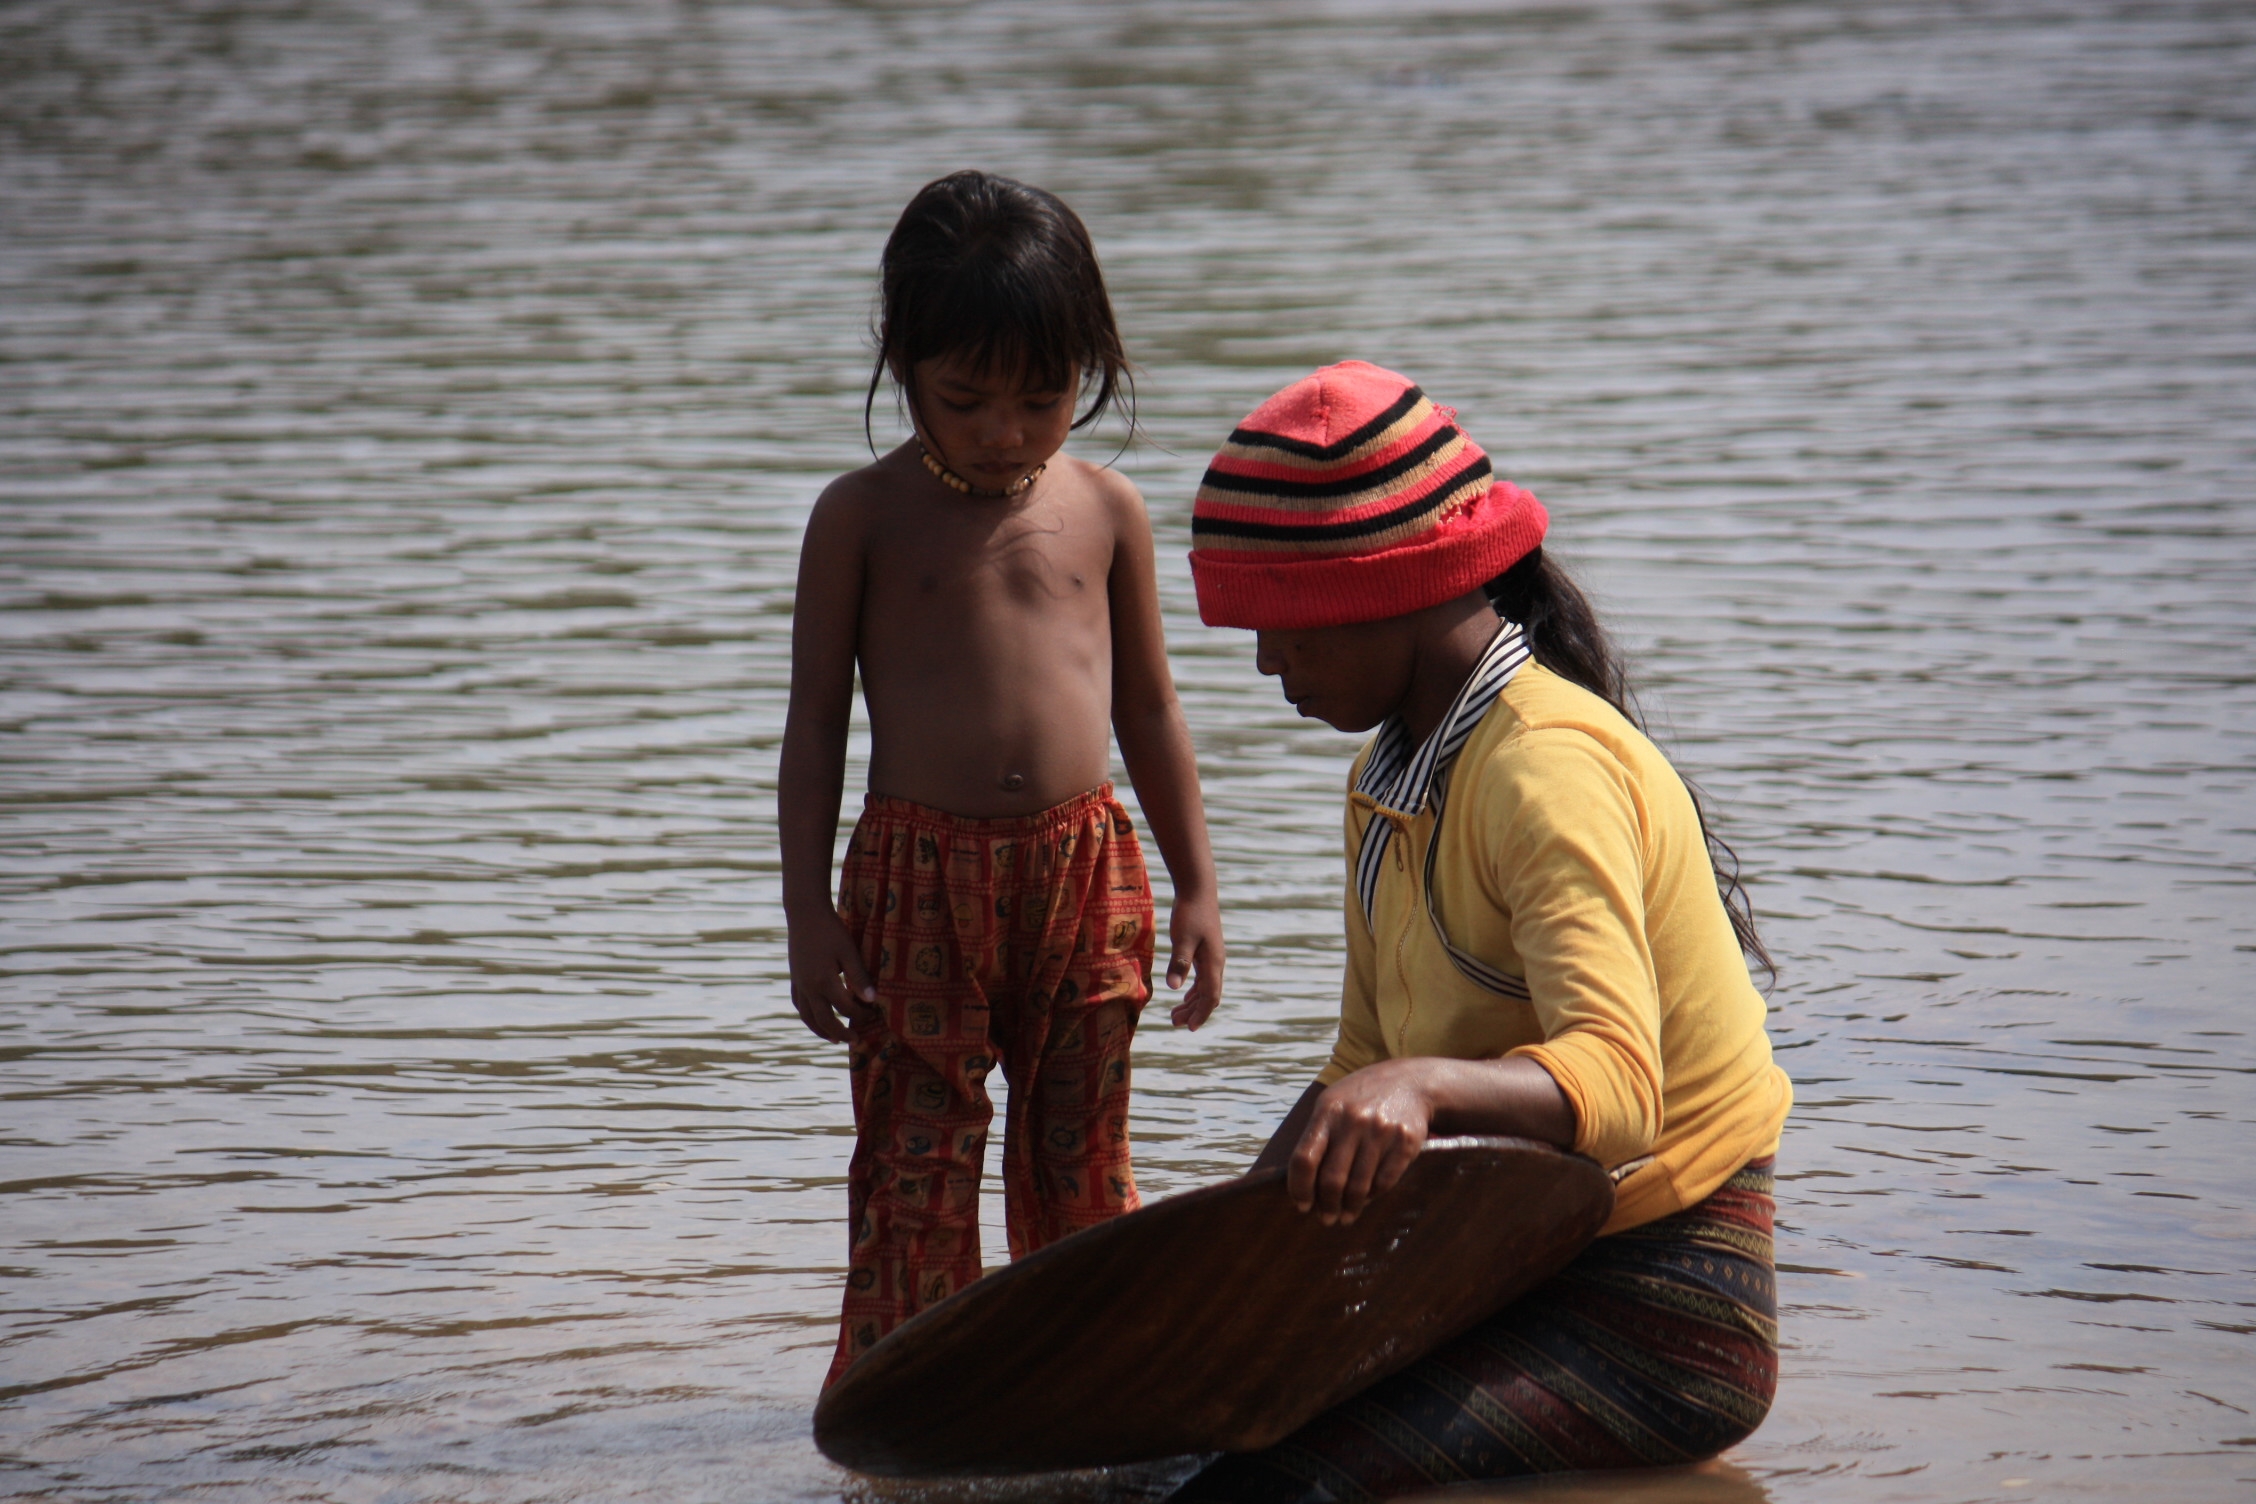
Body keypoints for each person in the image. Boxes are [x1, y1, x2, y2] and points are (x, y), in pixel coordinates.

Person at [1171, 361, 1791, 1501]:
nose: (1266, 663)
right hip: (1497, 1270)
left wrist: (1420, 1087)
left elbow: (1620, 1088)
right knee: (1170, 1447)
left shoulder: (1544, 769)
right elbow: (1360, 1066)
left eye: (1282, 625)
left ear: (1391, 591)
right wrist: (1224, 1262)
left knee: (1268, 1487)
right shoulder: (1386, 779)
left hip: (1666, 1309)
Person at [779, 171, 1225, 1390]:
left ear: (1088, 371)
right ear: (903, 366)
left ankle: (1093, 1385)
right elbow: (814, 725)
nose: (1005, 432)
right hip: (915, 881)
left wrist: (1197, 884)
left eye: (1041, 398)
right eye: (965, 400)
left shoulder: (1109, 509)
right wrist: (807, 910)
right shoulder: (861, 518)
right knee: (916, 1157)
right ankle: (906, 1399)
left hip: (1086, 869)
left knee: (1082, 1152)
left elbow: (1150, 707)